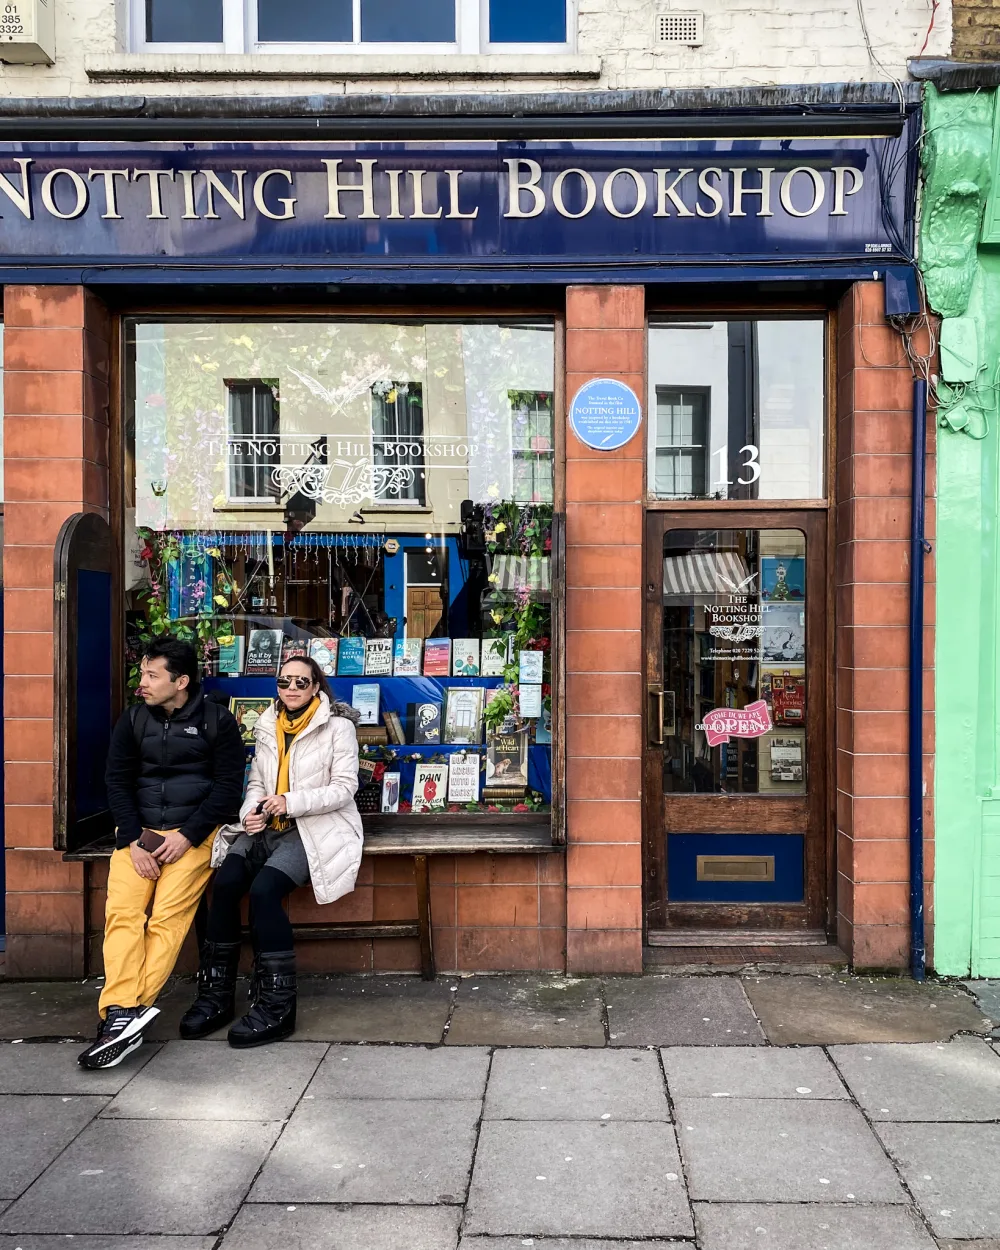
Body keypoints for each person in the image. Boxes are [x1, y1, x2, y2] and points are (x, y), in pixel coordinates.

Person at [79, 636, 246, 1070]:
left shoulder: (218, 722)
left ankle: (123, 1016)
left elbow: (228, 790)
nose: (142, 682)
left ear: (182, 681)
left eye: (153, 675)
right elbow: (116, 782)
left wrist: (187, 836)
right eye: (142, 673)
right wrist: (134, 839)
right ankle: (121, 1013)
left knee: (169, 918)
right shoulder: (133, 720)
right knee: (124, 915)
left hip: (192, 836)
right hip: (138, 835)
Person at [180, 655, 363, 1047]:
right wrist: (250, 813)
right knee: (225, 883)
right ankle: (216, 996)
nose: (292, 689)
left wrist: (290, 802)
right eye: (284, 682)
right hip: (268, 824)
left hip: (312, 826)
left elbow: (345, 787)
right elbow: (256, 781)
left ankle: (277, 1006)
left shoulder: (338, 727)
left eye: (301, 682)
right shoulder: (266, 724)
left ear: (316, 687)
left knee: (264, 893)